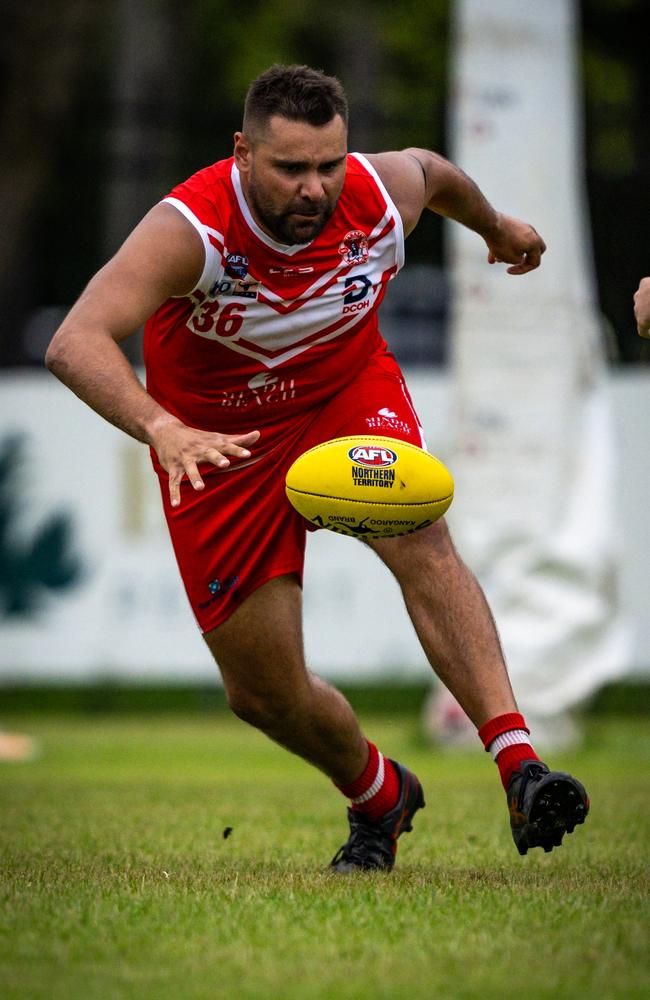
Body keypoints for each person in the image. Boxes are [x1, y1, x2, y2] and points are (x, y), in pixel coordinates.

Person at [45, 64, 589, 871]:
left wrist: (497, 227)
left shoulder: (376, 191)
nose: (314, 188)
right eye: (290, 168)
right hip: (219, 442)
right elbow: (74, 342)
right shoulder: (192, 227)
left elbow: (435, 174)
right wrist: (160, 426)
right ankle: (379, 795)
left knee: (421, 537)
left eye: (328, 165)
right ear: (242, 152)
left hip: (342, 392)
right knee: (262, 694)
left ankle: (520, 767)